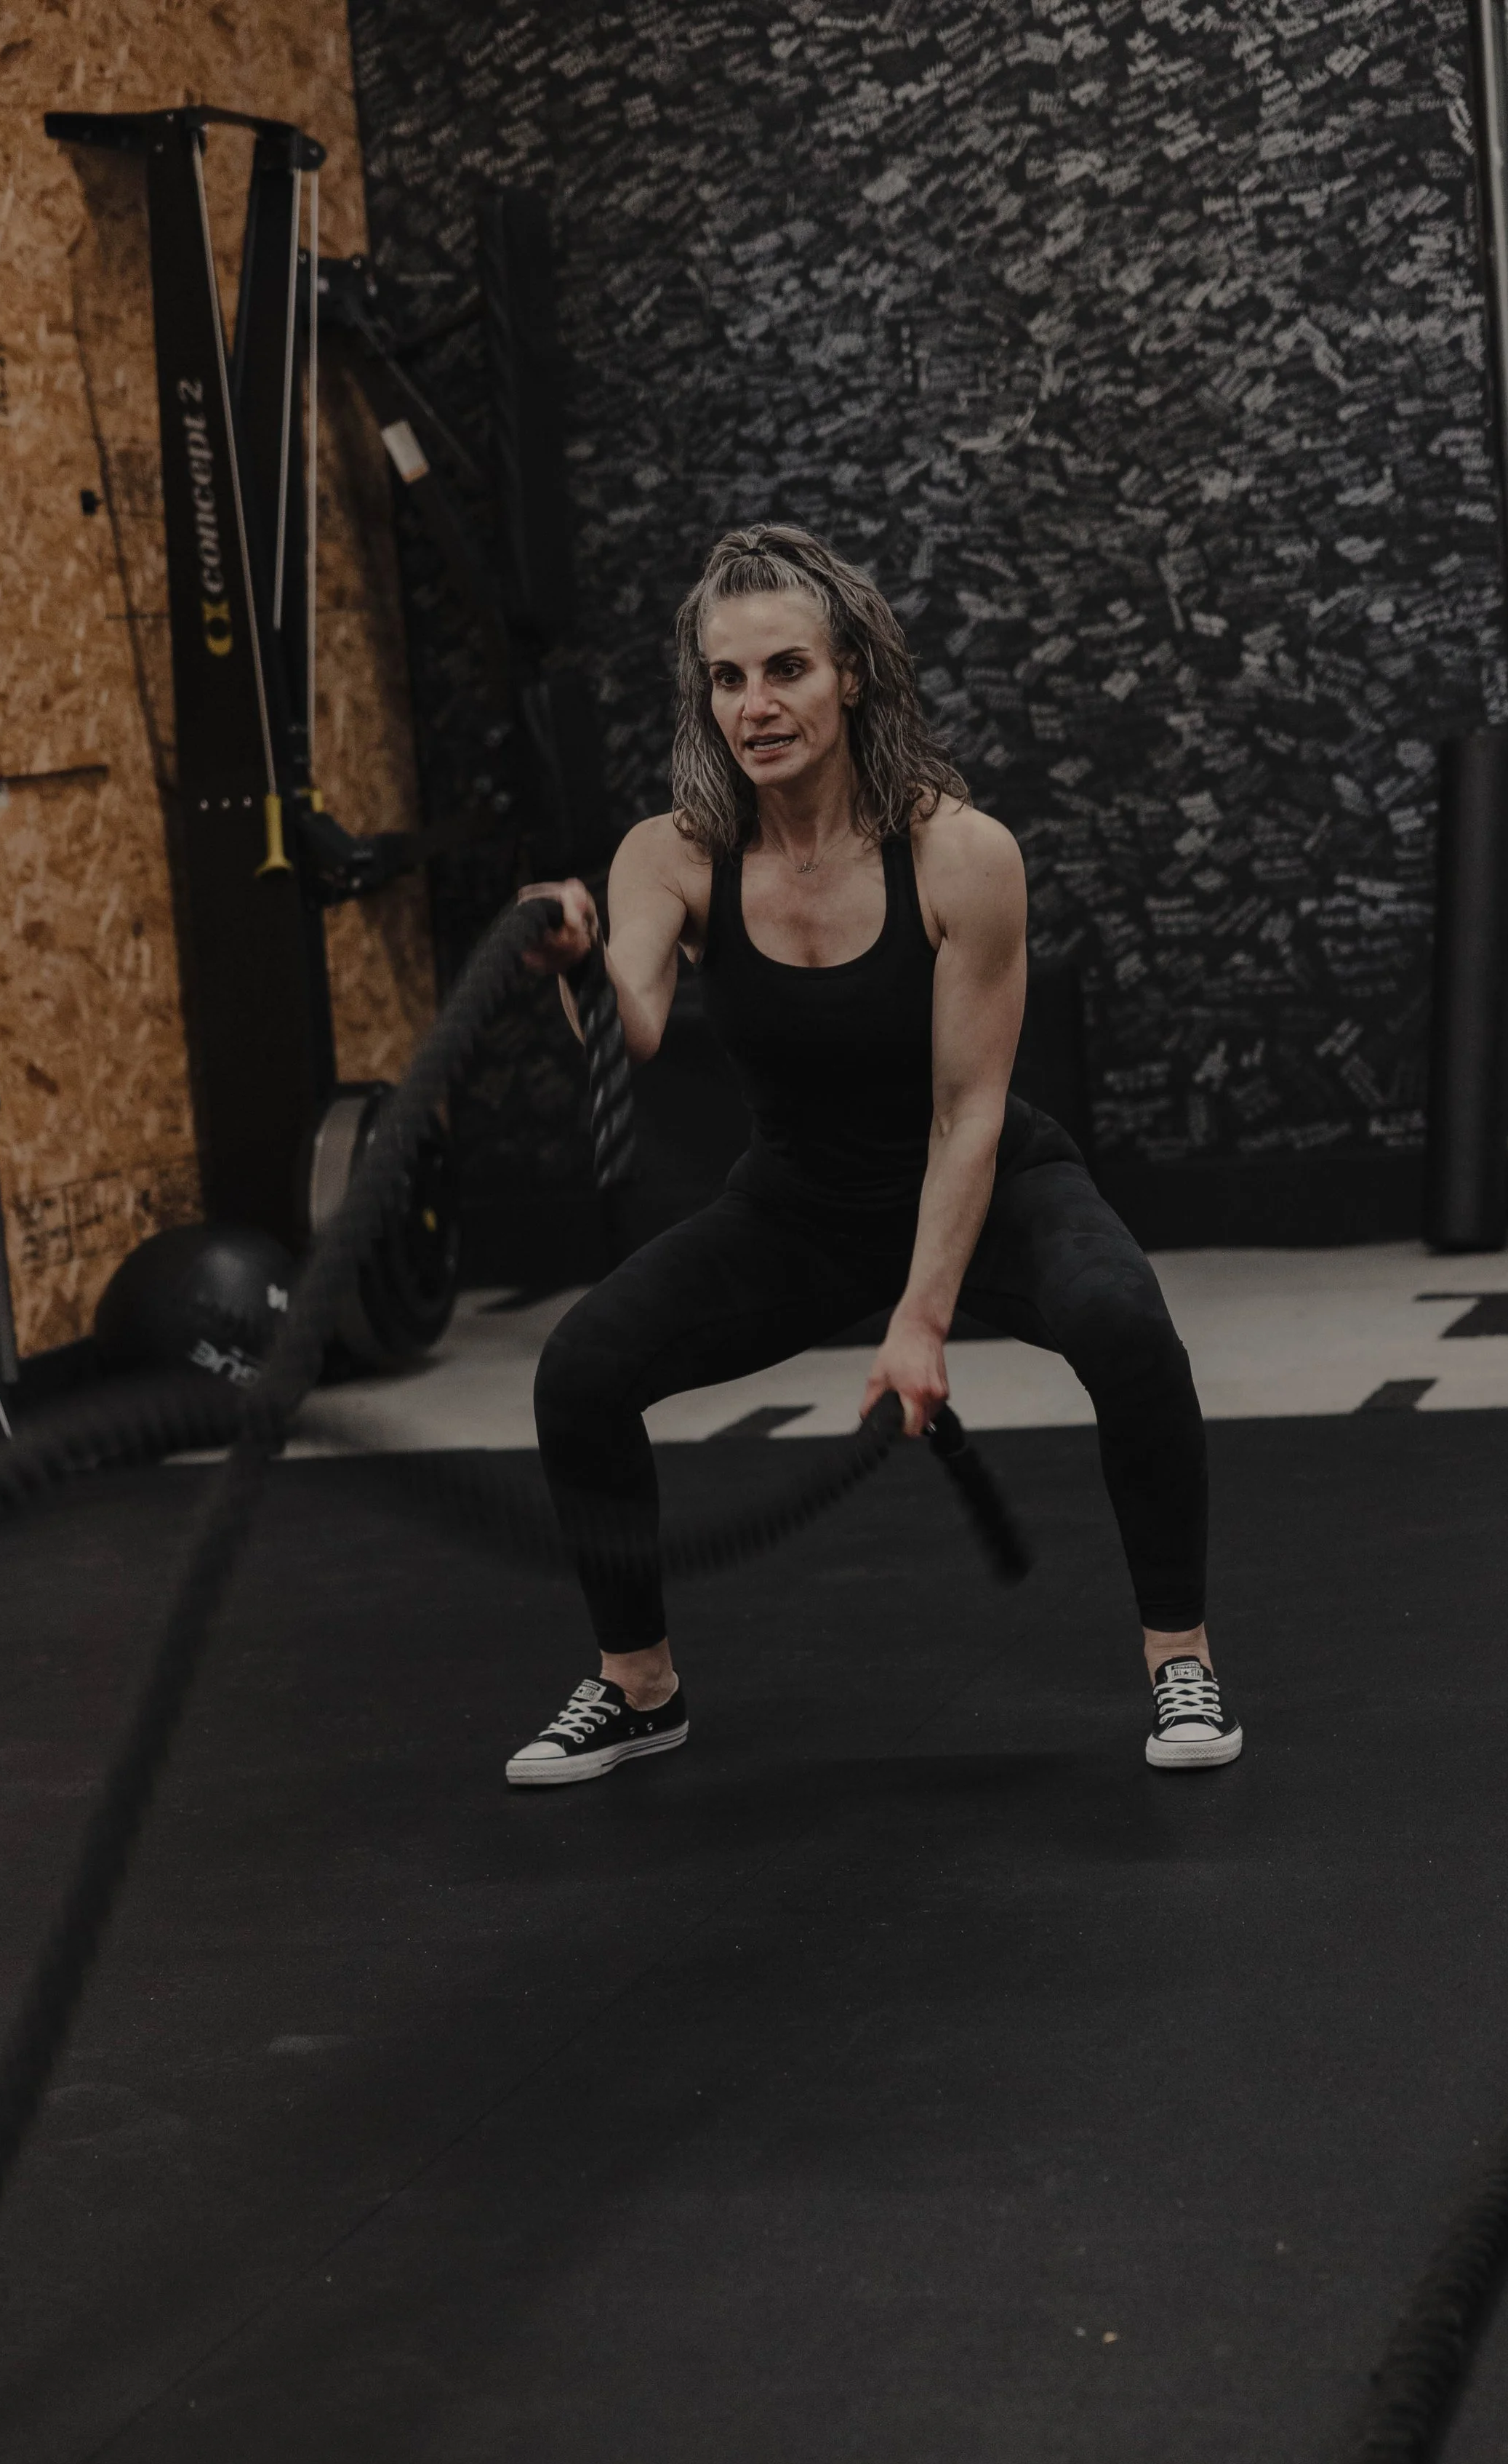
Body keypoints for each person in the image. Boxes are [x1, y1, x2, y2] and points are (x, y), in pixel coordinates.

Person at [505, 523, 1240, 1786]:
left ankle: (1181, 1653)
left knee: (1122, 1321)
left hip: (991, 1178)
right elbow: (630, 1022)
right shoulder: (669, 852)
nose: (756, 705)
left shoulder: (962, 855)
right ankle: (640, 1687)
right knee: (579, 1371)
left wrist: (920, 1320)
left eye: (785, 669)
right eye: (727, 679)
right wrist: (572, 957)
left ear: (852, 672)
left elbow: (966, 1114)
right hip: (800, 1200)